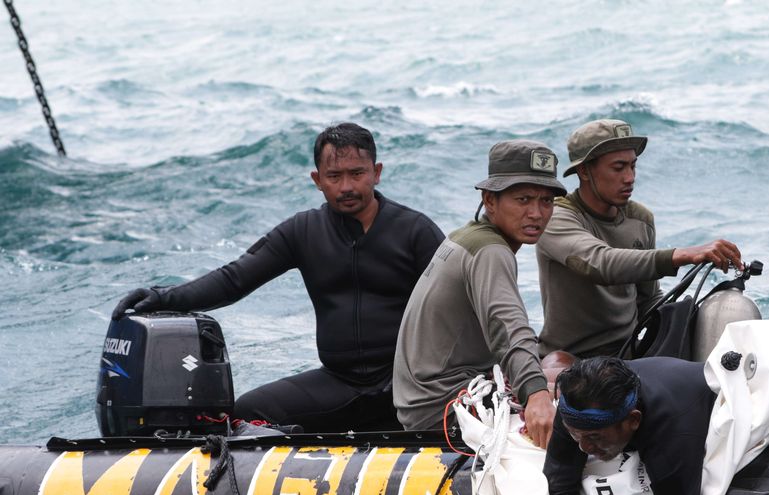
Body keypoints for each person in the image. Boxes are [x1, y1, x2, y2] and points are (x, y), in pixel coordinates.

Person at [110, 122, 444, 432]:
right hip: (338, 383)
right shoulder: (303, 231)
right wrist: (163, 297)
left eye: (357, 173)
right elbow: (234, 279)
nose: (346, 186)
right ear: (317, 180)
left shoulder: (415, 231)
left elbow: (459, 304)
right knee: (244, 414)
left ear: (377, 173)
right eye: (334, 176)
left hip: (406, 385)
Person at [392, 139, 564, 446]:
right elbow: (507, 326)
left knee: (561, 364)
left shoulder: (468, 236)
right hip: (441, 409)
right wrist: (535, 395)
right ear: (490, 200)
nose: (537, 213)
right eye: (523, 199)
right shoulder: (491, 250)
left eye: (546, 201)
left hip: (422, 397)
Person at [536, 119, 744, 358]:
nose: (629, 177)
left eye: (633, 166)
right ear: (584, 171)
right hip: (569, 358)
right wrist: (684, 255)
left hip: (628, 355)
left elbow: (647, 299)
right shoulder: (556, 218)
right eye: (618, 167)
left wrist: (688, 317)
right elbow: (600, 263)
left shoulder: (640, 219)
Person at [543, 356, 716, 495]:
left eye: (594, 438)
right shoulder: (574, 408)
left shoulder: (674, 428)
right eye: (575, 436)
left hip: (707, 404)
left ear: (633, 421)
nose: (584, 448)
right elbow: (559, 486)